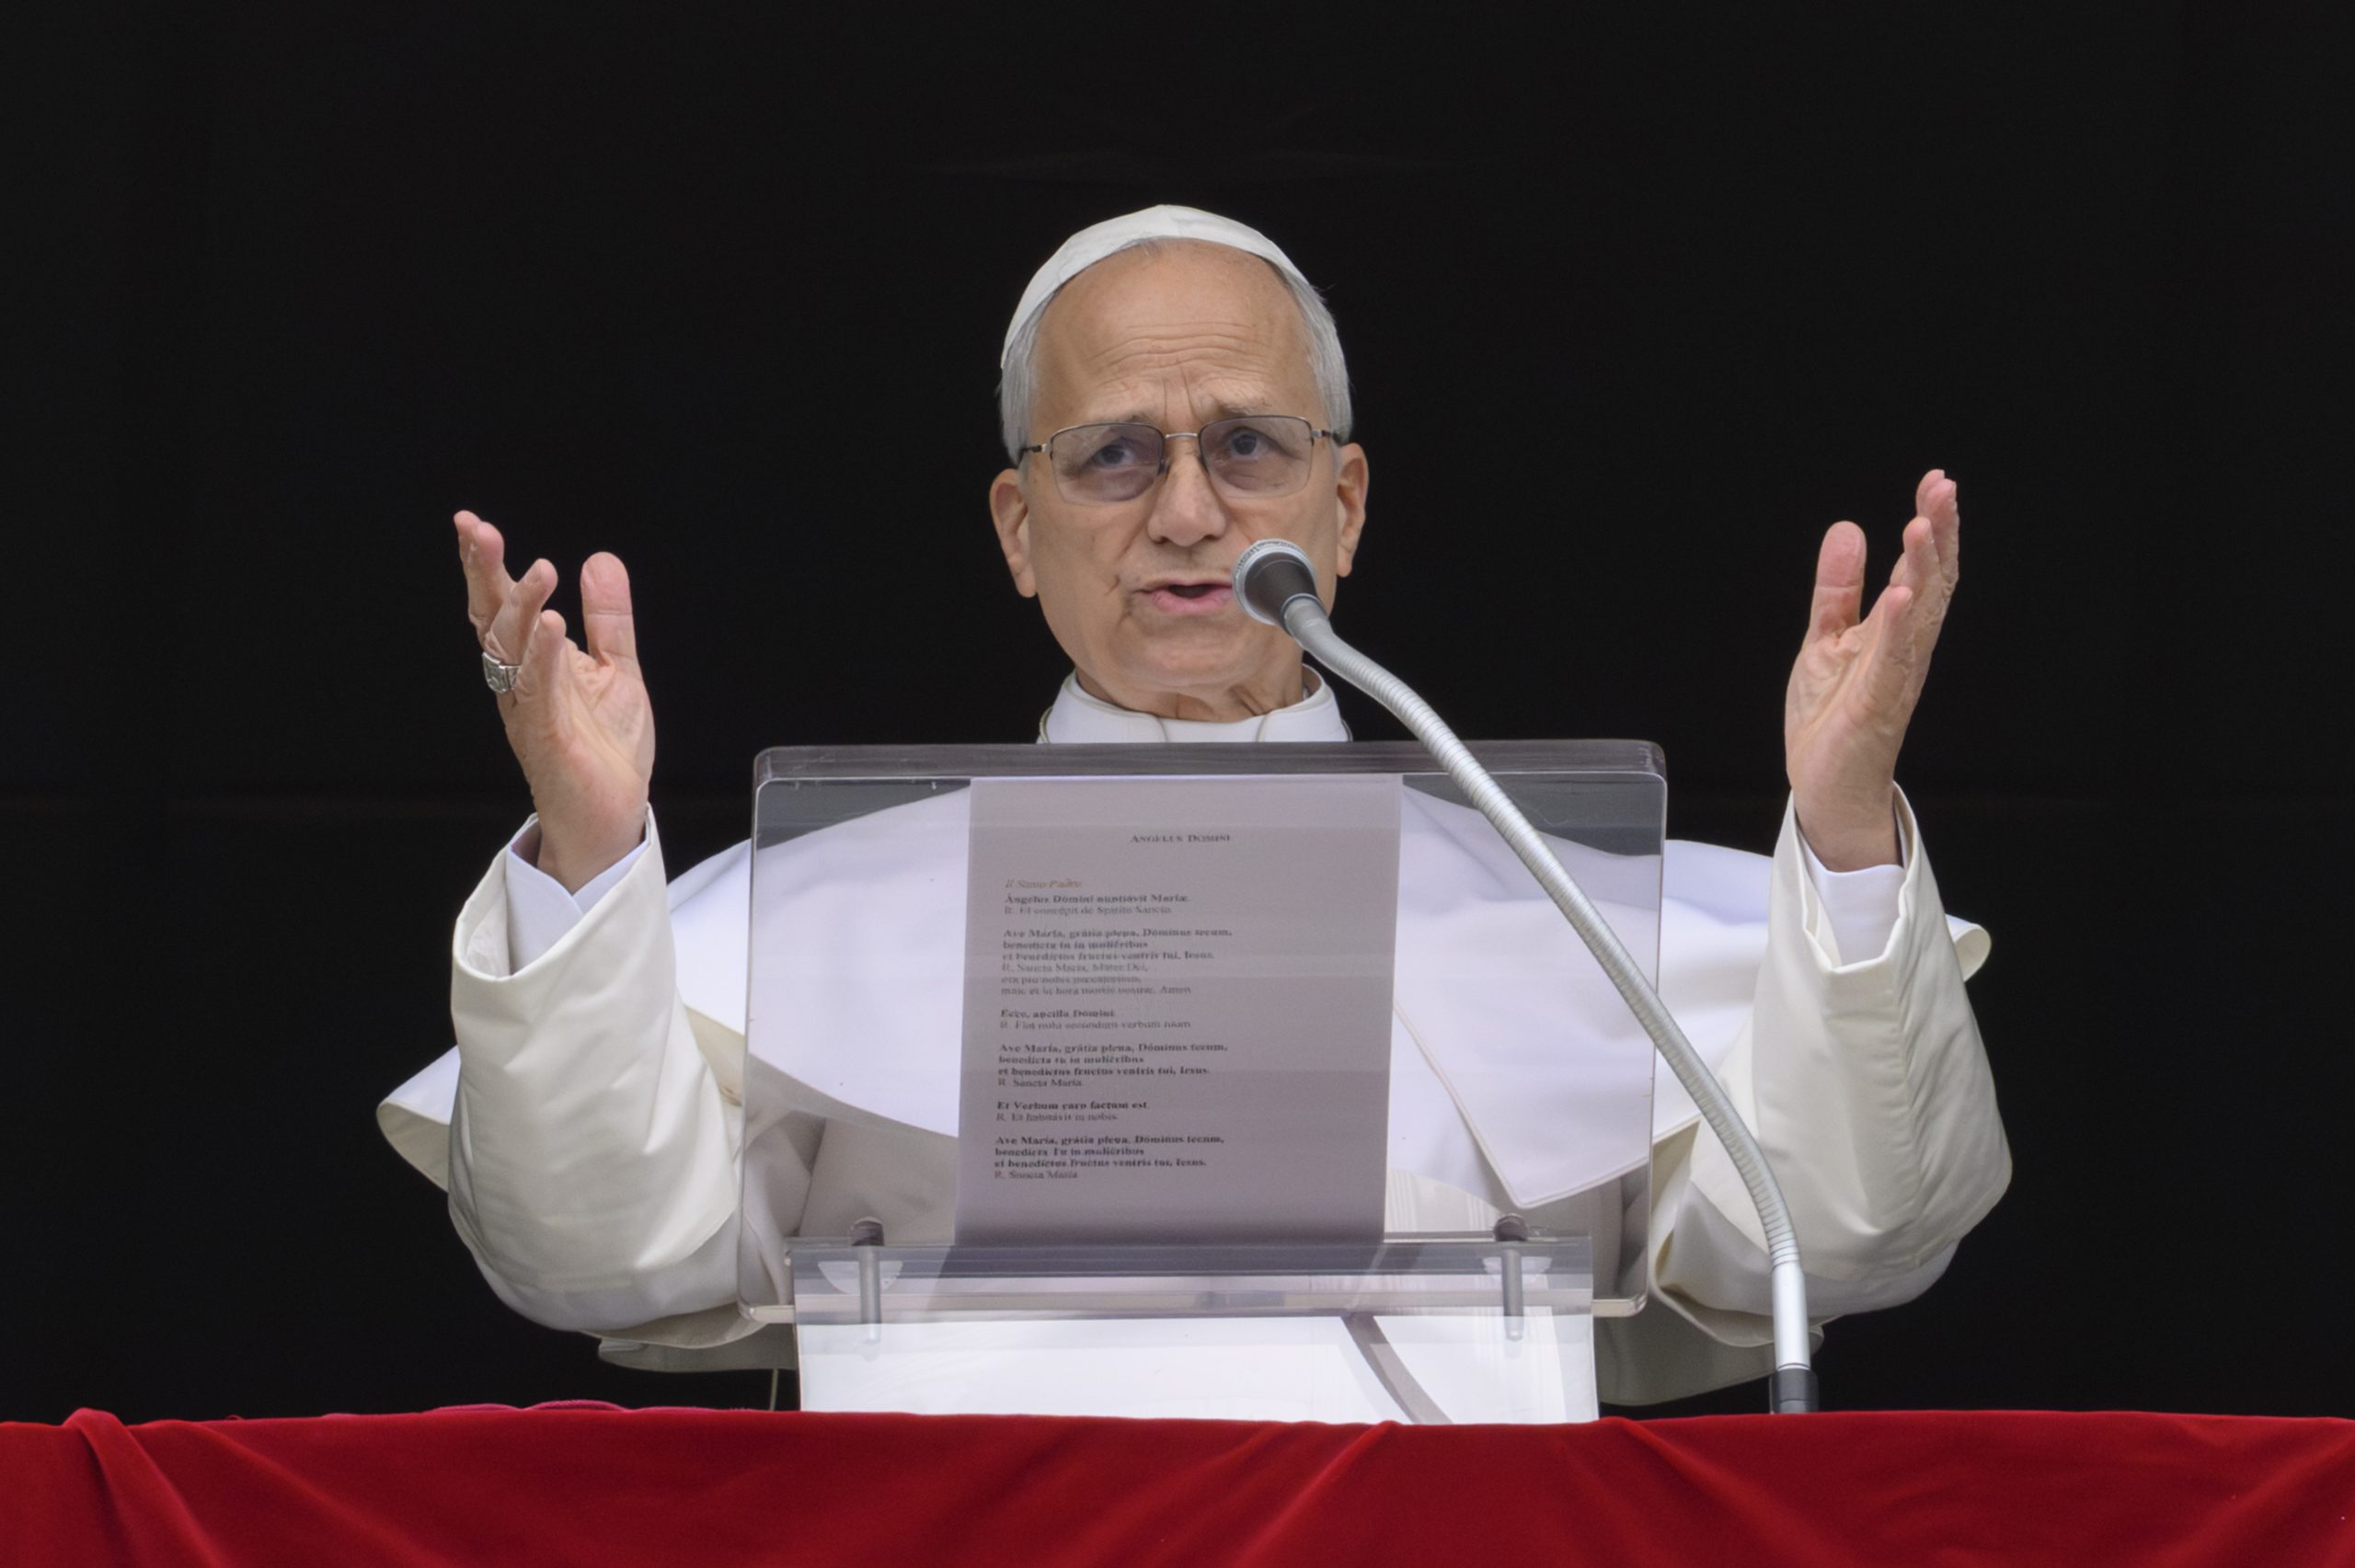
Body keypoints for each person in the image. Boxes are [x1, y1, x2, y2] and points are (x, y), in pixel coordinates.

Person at [378, 206, 2006, 1408]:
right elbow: (595, 1260)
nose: (1184, 510)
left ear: (1342, 505)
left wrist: (1846, 833)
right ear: (1017, 528)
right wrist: (592, 854)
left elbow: (1847, 1239)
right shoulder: (827, 917)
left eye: (1245, 444)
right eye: (1110, 456)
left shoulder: (1547, 901)